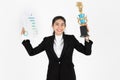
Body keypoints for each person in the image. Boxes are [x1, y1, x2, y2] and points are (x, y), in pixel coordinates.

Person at [21, 16, 93, 80]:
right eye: (57, 24)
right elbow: (32, 52)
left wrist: (86, 36)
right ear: (52, 26)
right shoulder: (47, 41)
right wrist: (25, 38)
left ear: (65, 26)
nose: (60, 27)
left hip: (69, 76)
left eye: (62, 24)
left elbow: (87, 52)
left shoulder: (71, 39)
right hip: (52, 76)